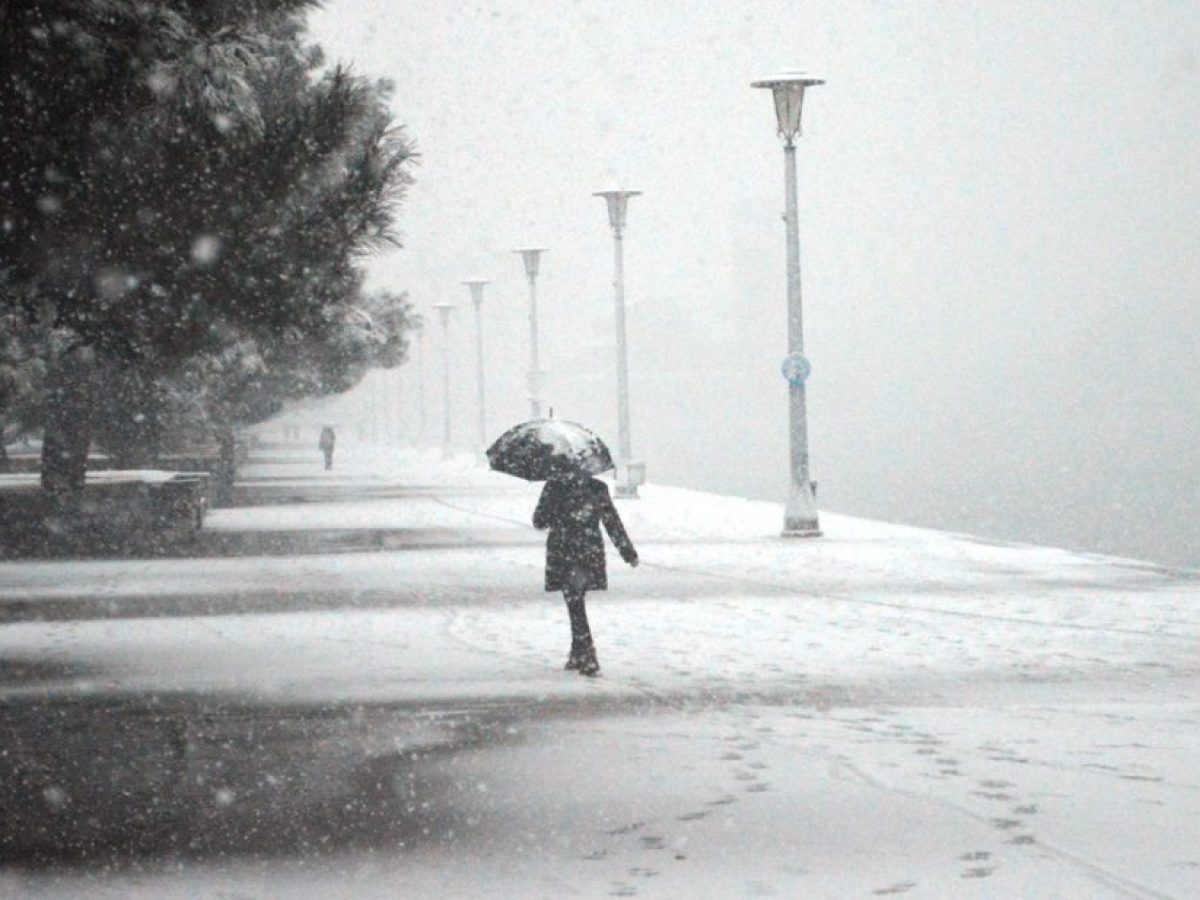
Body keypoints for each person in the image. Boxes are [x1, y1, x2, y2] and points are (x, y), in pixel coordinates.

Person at [533, 464, 638, 676]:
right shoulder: (597, 488)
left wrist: (554, 511)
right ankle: (578, 652)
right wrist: (628, 552)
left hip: (564, 552)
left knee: (574, 600)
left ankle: (587, 652)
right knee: (576, 599)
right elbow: (612, 523)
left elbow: (538, 521)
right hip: (588, 552)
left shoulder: (554, 487)